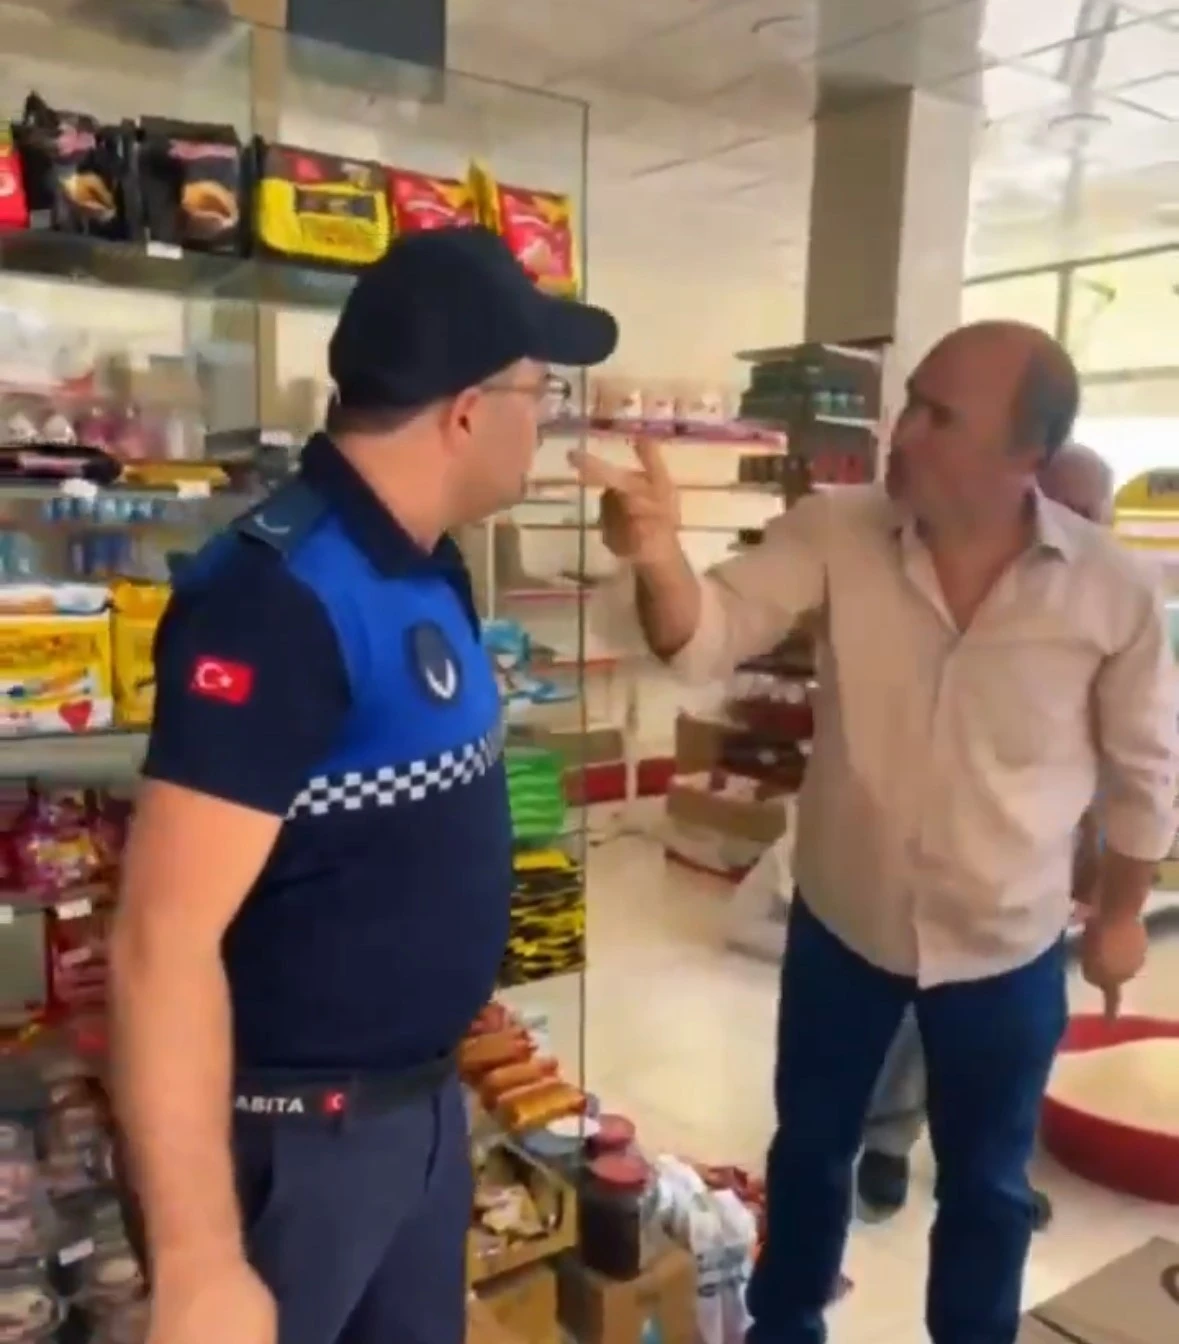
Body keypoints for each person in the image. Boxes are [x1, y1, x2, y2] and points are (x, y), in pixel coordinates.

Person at [579, 322, 1177, 1344]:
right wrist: (661, 559)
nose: (903, 430)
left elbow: (1144, 775)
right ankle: (785, 1327)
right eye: (912, 401)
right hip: (843, 927)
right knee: (811, 1152)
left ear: (1025, 454)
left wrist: (1120, 914)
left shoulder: (1110, 591)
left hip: (1004, 948)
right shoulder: (836, 531)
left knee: (987, 1186)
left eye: (940, 415)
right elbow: (705, 636)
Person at [108, 225, 618, 1344]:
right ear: (468, 412)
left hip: (418, 1112)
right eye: (541, 392)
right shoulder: (276, 599)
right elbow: (160, 939)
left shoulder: (426, 558)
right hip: (298, 1145)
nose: (547, 421)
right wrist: (199, 1260)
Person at [858, 442, 1117, 1224]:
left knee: (1020, 1033)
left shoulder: (1109, 603)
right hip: (945, 855)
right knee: (921, 1011)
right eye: (1067, 506)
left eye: (1094, 512)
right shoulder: (969, 600)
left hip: (1039, 870)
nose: (1081, 526)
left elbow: (1114, 752)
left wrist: (1099, 869)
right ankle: (887, 1140)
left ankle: (992, 1167)